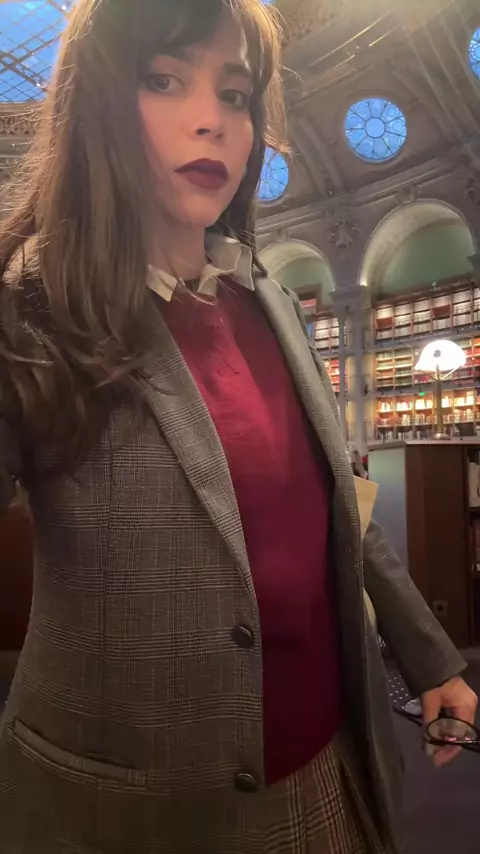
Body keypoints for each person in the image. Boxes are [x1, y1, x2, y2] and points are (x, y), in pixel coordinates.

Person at [0, 1, 476, 852]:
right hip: (139, 813)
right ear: (95, 107)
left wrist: (431, 655)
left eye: (235, 94)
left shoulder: (269, 300)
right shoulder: (31, 308)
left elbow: (340, 508)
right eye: (162, 80)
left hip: (336, 769)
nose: (211, 121)